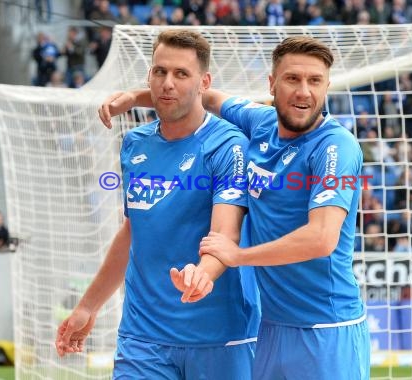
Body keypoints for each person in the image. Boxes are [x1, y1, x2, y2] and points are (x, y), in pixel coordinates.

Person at [99, 36, 370, 380]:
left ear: (327, 86)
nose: (304, 91)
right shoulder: (261, 123)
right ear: (272, 84)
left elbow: (322, 238)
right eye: (292, 79)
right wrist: (135, 97)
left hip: (328, 328)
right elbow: (206, 95)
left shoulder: (336, 147)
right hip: (272, 328)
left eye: (314, 81)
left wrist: (236, 255)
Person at [57, 30, 260, 379]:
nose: (168, 83)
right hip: (143, 336)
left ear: (204, 82)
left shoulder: (229, 146)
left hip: (220, 336)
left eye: (181, 74)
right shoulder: (134, 144)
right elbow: (134, 229)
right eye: (159, 72)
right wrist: (88, 306)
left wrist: (202, 273)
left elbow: (226, 233)